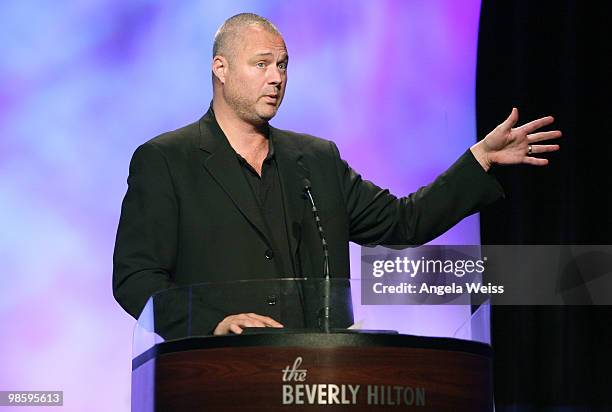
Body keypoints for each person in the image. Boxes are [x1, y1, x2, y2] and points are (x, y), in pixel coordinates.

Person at [112, 13, 561, 336]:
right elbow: (135, 278)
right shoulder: (166, 160)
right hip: (216, 380)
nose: (276, 78)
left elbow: (404, 222)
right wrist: (209, 322)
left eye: (283, 65)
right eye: (262, 64)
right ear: (221, 69)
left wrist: (478, 160)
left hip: (318, 380)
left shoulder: (316, 160)